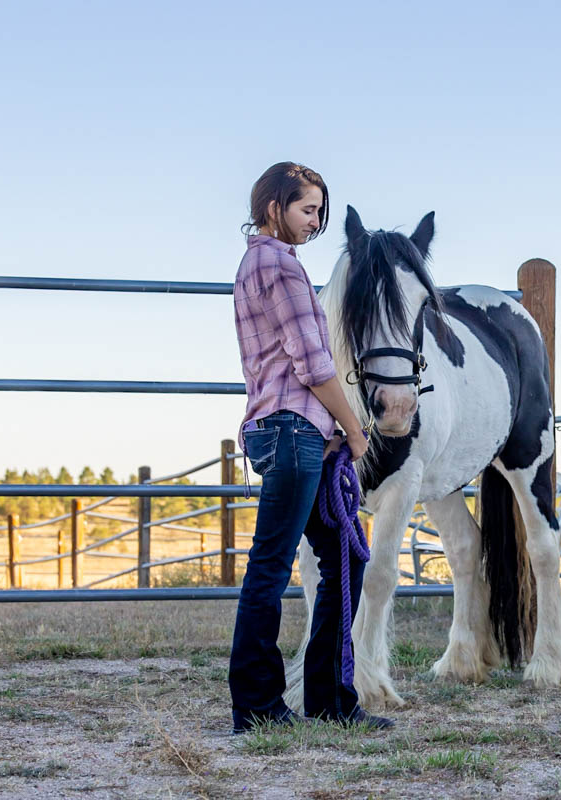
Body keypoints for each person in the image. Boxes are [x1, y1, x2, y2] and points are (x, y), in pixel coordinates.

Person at [229, 161, 392, 734]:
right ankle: (256, 707)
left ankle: (327, 698)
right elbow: (312, 363)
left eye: (320, 210)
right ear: (274, 206)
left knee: (344, 557)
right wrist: (354, 427)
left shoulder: (267, 263)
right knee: (271, 567)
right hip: (293, 432)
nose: (316, 219)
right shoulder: (278, 264)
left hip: (297, 434)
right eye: (306, 208)